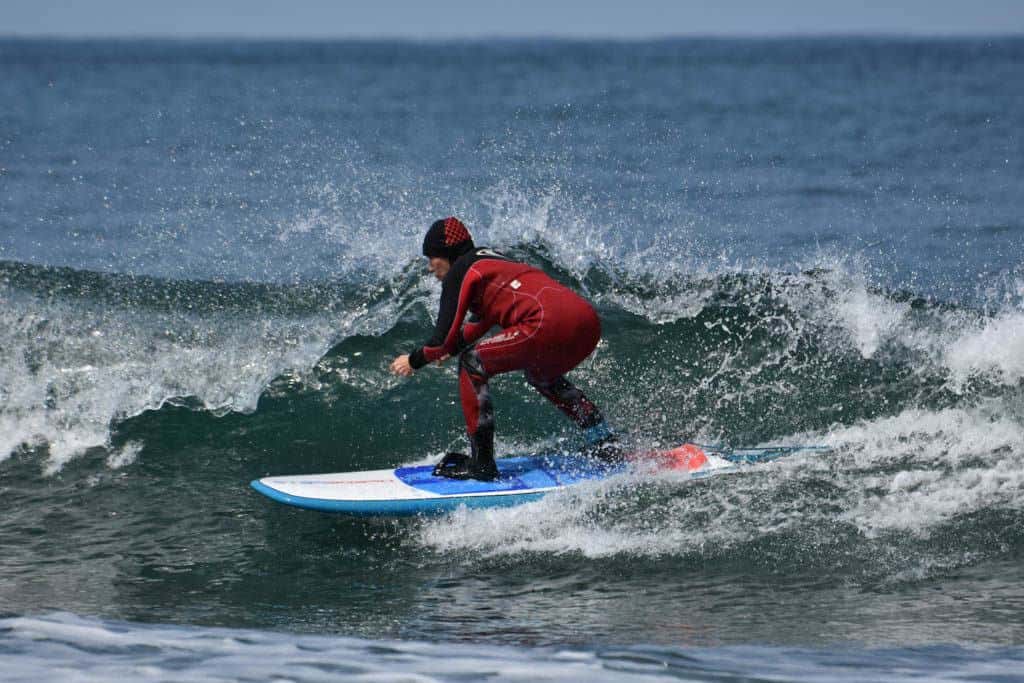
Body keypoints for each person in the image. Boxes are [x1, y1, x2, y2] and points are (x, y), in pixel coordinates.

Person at [389, 217, 617, 481]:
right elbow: (481, 322)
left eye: (432, 258)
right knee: (541, 376)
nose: (430, 268)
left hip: (545, 320)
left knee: (472, 363)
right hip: (586, 320)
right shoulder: (494, 261)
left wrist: (414, 360)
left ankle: (482, 464)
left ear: (447, 254)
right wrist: (448, 349)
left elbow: (442, 340)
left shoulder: (461, 269)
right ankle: (605, 443)